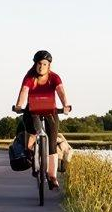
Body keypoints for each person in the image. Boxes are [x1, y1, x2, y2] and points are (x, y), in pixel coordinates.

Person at [12, 50, 71, 190]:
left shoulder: (54, 77)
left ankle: (52, 177)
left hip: (50, 111)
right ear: (35, 64)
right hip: (32, 111)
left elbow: (61, 92)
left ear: (49, 65)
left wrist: (66, 105)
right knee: (31, 131)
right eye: (39, 64)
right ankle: (29, 152)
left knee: (52, 142)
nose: (41, 67)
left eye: (45, 64)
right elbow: (24, 91)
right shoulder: (29, 77)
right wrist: (19, 106)